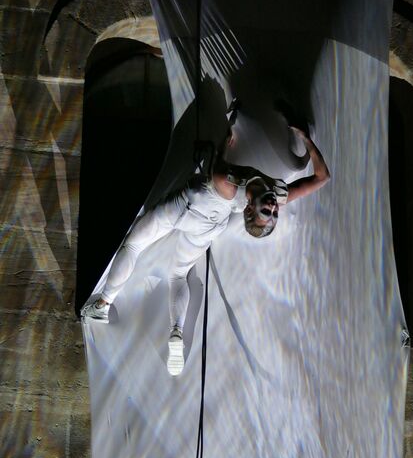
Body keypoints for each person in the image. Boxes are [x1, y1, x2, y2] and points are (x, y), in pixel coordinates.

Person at [81, 120, 330, 376]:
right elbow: (322, 177)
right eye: (274, 213)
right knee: (179, 274)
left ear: (248, 209)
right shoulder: (276, 193)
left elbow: (216, 157)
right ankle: (176, 331)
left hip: (184, 206)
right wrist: (305, 138)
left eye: (266, 212)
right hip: (209, 227)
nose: (274, 208)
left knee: (134, 245)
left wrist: (224, 139)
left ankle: (103, 304)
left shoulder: (227, 182)